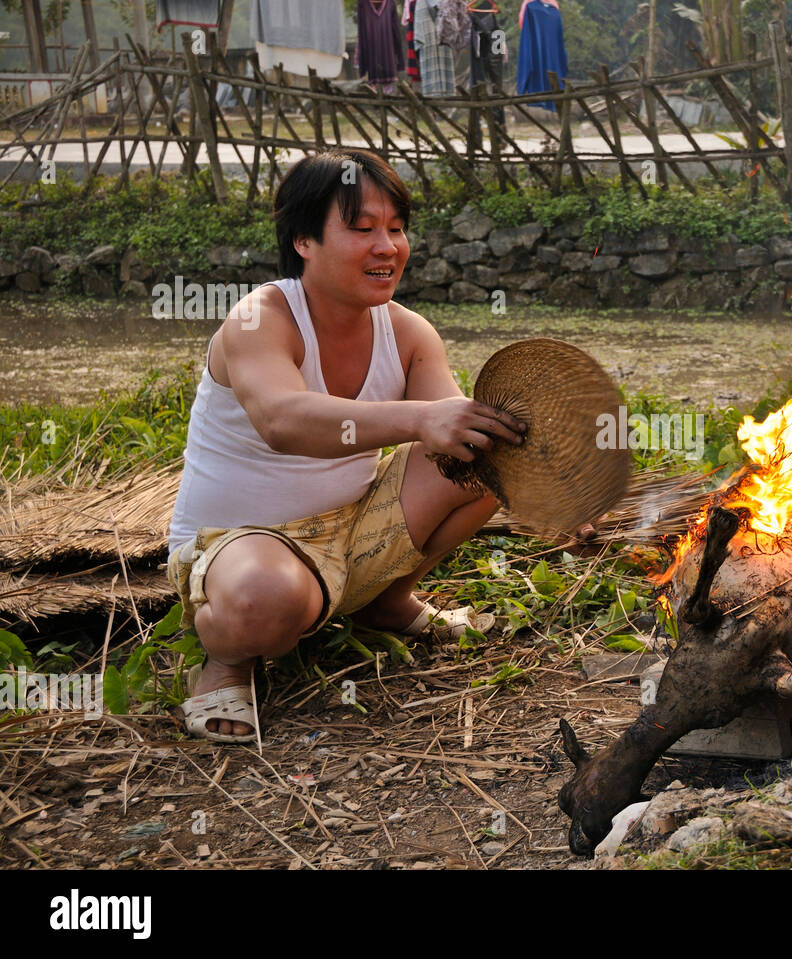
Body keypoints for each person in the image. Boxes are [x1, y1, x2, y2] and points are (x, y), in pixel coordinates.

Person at [166, 147, 526, 743]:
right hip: (242, 547)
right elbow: (283, 420)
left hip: (353, 529)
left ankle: (387, 601)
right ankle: (229, 660)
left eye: (396, 228)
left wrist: (551, 488)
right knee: (266, 598)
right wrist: (420, 419)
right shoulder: (260, 318)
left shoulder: (409, 333)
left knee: (483, 464)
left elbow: (457, 433)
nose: (388, 247)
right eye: (363, 230)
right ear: (304, 240)